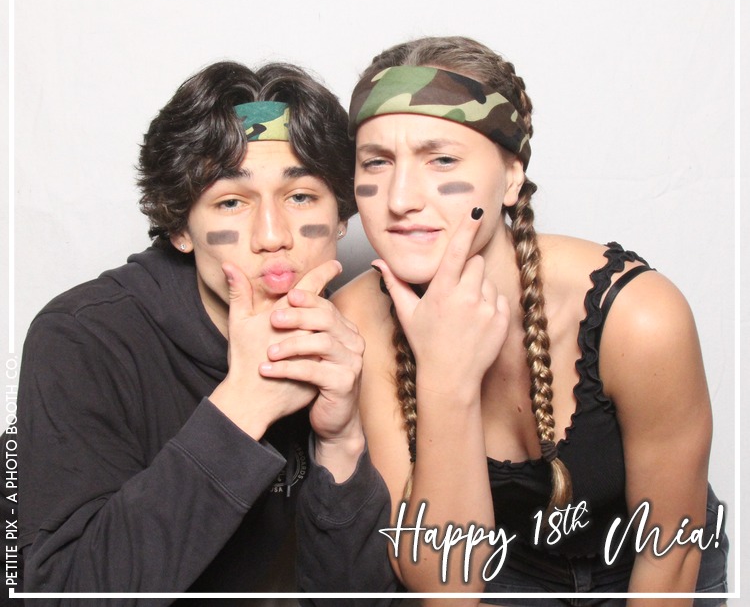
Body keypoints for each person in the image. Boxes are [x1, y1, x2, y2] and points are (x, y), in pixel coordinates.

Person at [334, 36, 728, 605]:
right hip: (497, 571)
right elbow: (442, 587)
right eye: (377, 161)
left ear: (512, 177)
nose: (400, 198)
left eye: (441, 159)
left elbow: (670, 556)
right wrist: (446, 379)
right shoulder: (359, 319)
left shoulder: (637, 318)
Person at [16, 60, 397, 603]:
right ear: (179, 226)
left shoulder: (350, 338)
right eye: (231, 202)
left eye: (300, 196)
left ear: (340, 216)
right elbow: (63, 594)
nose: (272, 235)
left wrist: (341, 443)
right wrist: (243, 407)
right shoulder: (84, 339)